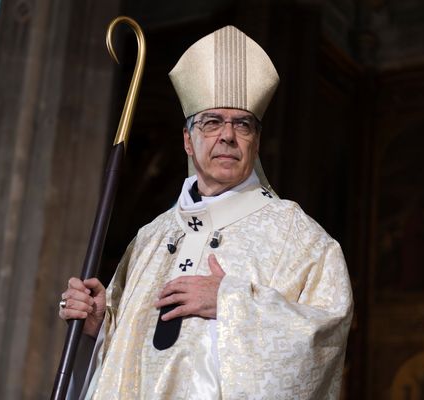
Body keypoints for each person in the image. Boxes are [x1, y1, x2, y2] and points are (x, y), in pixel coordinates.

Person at [59, 25, 353, 399]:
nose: (227, 136)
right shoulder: (150, 238)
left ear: (256, 141)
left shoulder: (301, 239)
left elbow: (327, 332)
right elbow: (120, 365)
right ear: (188, 140)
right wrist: (100, 325)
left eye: (242, 125)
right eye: (212, 122)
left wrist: (231, 303)